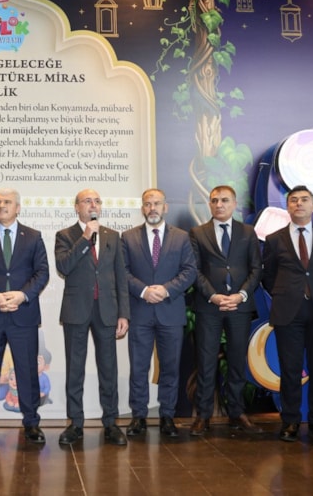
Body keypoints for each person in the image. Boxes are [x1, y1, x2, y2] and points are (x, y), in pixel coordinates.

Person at [0, 188, 50, 445]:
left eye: (7, 202)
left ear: (18, 208)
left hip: (23, 315)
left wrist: (22, 295)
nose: (1, 205)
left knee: (27, 371)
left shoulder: (33, 237)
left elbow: (42, 272)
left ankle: (31, 422)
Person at [262, 185, 313, 444]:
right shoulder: (274, 239)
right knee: (290, 369)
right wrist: (287, 293)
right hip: (289, 311)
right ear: (287, 206)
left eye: (304, 199)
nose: (299, 203)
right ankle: (290, 421)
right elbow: (268, 276)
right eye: (293, 200)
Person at [55, 188, 130, 446]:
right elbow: (64, 266)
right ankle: (75, 423)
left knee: (108, 369)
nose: (93, 205)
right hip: (76, 310)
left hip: (107, 310)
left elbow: (121, 277)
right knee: (75, 369)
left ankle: (111, 423)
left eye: (97, 201)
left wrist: (123, 313)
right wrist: (85, 237)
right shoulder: (65, 235)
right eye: (87, 201)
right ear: (77, 207)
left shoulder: (112, 236)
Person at [121, 188, 197, 438]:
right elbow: (122, 272)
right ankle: (138, 417)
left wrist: (165, 290)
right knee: (138, 368)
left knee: (170, 369)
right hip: (140, 312)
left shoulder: (182, 237)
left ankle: (167, 416)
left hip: (170, 312)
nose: (152, 208)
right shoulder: (128, 237)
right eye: (147, 204)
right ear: (142, 208)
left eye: (156, 203)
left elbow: (189, 271)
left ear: (165, 207)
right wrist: (144, 291)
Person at [188, 185, 262, 436]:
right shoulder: (198, 233)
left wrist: (240, 296)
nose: (219, 204)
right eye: (214, 200)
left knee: (237, 361)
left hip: (239, 307)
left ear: (234, 204)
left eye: (224, 200)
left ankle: (237, 413)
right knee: (206, 362)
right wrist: (213, 296)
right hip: (209, 307)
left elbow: (256, 269)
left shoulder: (248, 232)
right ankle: (203, 415)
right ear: (209, 204)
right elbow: (194, 270)